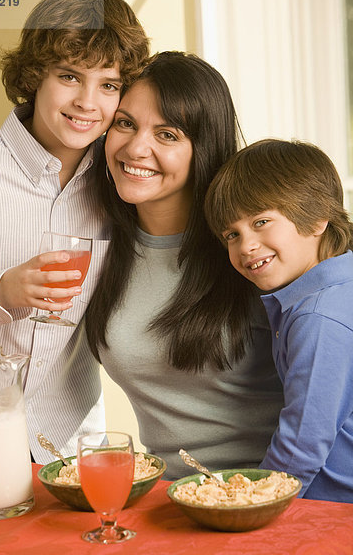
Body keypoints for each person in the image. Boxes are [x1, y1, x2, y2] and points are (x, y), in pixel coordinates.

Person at [0, 0, 149, 462]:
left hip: (76, 447)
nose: (87, 102)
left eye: (109, 84)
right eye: (69, 77)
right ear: (34, 76)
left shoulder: (121, 180)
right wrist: (0, 293)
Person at [84, 51, 284, 480]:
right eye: (125, 123)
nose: (136, 148)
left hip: (276, 496)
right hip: (169, 499)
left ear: (203, 147)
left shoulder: (254, 249)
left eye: (168, 134)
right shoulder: (98, 239)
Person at [204, 138, 353, 502]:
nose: (246, 245)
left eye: (261, 221)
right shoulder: (331, 291)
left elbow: (301, 444)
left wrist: (247, 504)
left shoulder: (319, 317)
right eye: (232, 234)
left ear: (318, 217)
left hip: (331, 512)